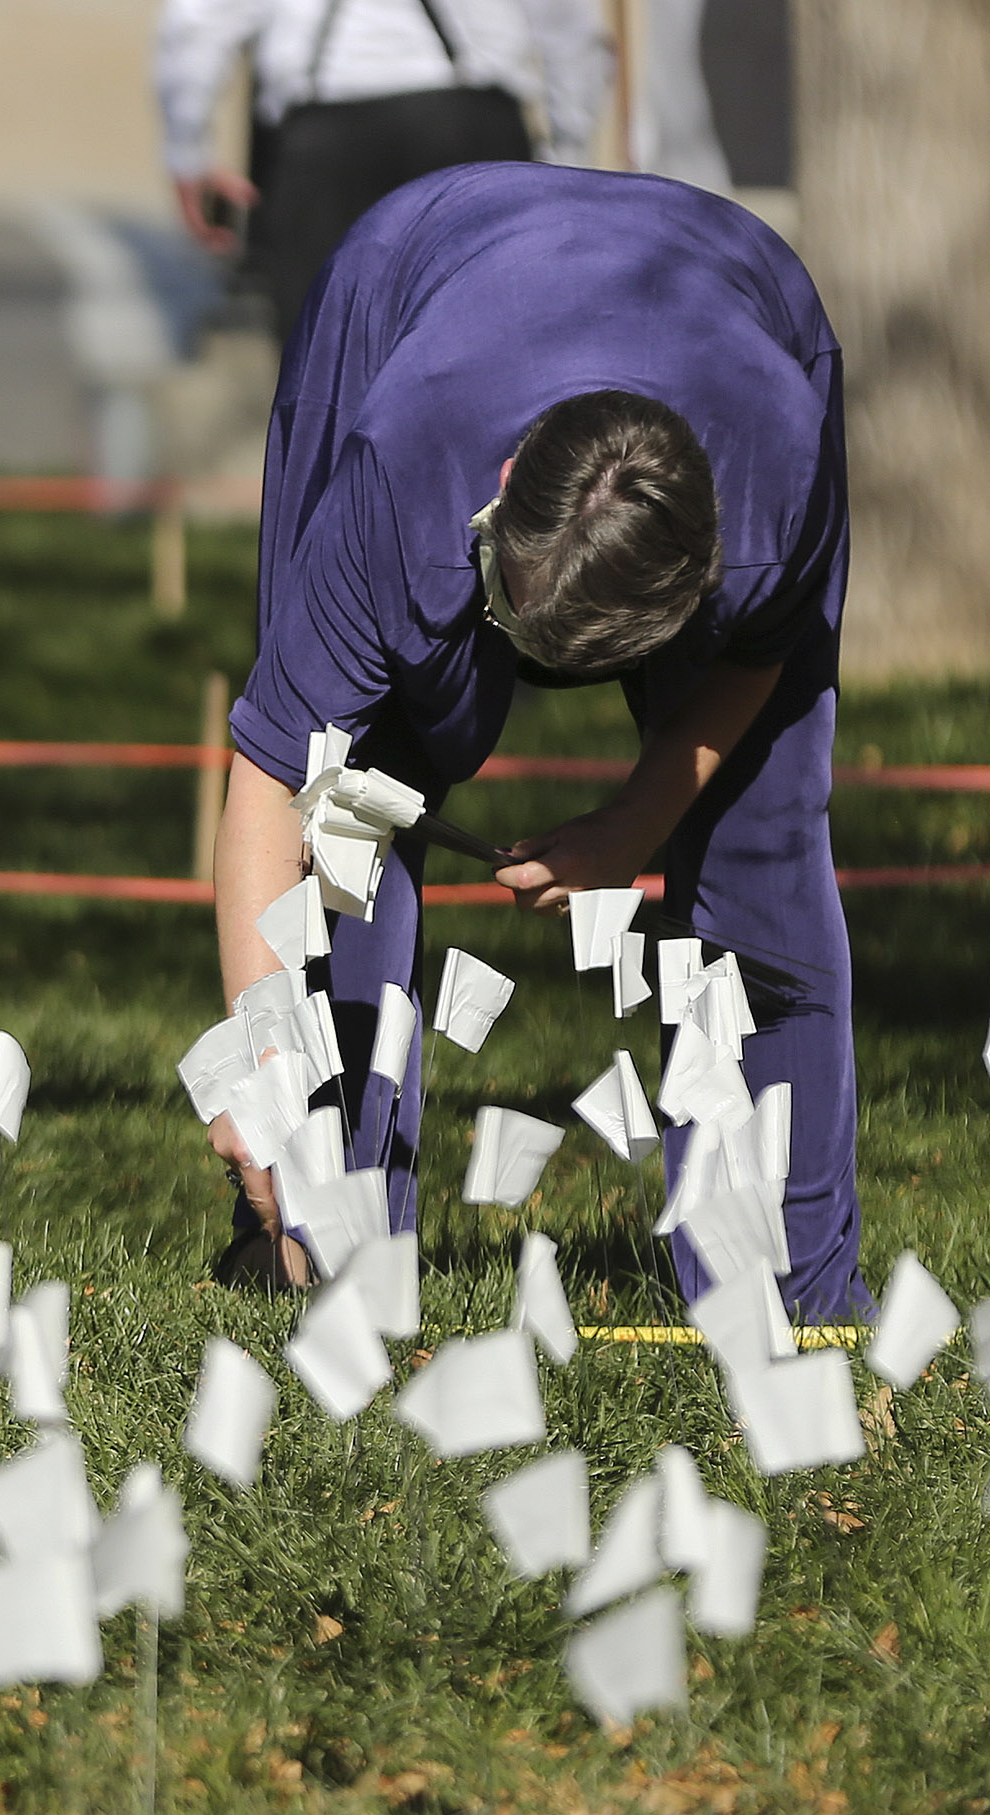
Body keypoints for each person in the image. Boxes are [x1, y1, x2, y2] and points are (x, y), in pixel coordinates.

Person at [202, 160, 870, 1321]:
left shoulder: (775, 482)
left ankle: (783, 1292)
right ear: (506, 488)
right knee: (361, 790)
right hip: (407, 271)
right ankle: (329, 1246)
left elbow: (757, 661)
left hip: (733, 289)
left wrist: (638, 819)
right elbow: (272, 781)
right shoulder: (399, 469)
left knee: (760, 830)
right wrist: (255, 1075)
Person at [153, 0, 607, 324]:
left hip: (325, 138)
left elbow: (200, 19)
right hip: (470, 128)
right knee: (486, 360)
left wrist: (188, 150)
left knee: (326, 380)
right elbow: (569, 22)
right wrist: (569, 153)